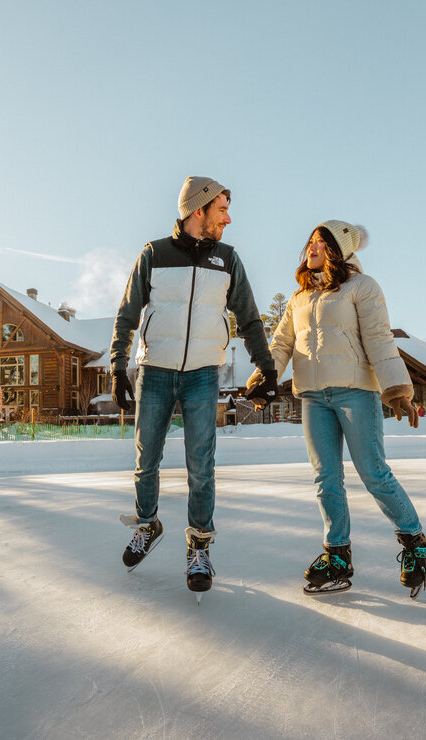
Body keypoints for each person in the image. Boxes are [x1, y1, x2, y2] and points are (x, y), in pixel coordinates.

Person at [110, 176, 277, 595]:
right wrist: (117, 367)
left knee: (201, 467)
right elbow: (127, 314)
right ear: (197, 210)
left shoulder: (227, 259)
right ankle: (147, 525)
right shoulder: (154, 254)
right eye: (222, 209)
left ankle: (199, 548)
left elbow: (250, 317)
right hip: (156, 371)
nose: (229, 218)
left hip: (204, 372)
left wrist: (267, 368)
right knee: (146, 458)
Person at [250, 220, 426, 598]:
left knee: (373, 473)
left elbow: (379, 339)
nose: (312, 247)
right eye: (311, 242)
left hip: (355, 393)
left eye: (321, 242)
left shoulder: (362, 288)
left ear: (339, 249)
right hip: (313, 398)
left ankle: (416, 543)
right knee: (325, 478)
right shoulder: (298, 298)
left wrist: (397, 388)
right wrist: (263, 378)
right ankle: (337, 555)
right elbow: (282, 344)